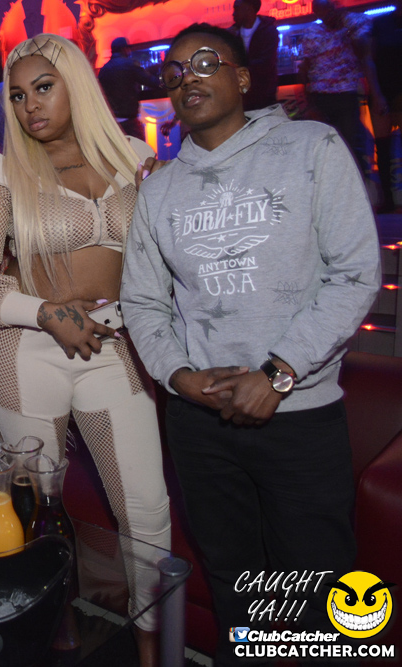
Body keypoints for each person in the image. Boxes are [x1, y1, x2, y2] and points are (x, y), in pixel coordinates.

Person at [121, 24, 381, 666]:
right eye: (174, 71)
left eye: (205, 62)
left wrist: (279, 373)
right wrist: (179, 378)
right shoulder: (159, 189)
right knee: (236, 584)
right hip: (200, 423)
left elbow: (354, 273)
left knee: (320, 590)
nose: (187, 77)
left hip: (298, 415)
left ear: (242, 77)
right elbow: (145, 303)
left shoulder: (311, 146)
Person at [0, 34, 170, 666]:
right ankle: (53, 631)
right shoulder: (2, 175)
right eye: (17, 96)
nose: (30, 106)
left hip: (114, 346)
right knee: (38, 515)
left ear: (78, 85)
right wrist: (46, 312)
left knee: (146, 511)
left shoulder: (137, 159)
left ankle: (153, 647)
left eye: (43, 88)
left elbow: (167, 260)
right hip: (26, 352)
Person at [299, 0, 387, 172]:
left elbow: (365, 54)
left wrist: (347, 28)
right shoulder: (312, 31)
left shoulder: (356, 22)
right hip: (320, 96)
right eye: (319, 12)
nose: (325, 16)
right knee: (325, 147)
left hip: (347, 94)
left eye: (326, 10)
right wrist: (308, 103)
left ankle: (358, 182)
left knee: (351, 146)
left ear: (335, 6)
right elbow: (305, 67)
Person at [97, 37, 160, 139]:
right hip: (129, 120)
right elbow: (152, 82)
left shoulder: (104, 69)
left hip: (111, 122)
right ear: (124, 49)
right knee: (140, 147)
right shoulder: (130, 64)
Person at [372, 8, 402, 213]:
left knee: (384, 148)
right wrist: (376, 93)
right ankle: (388, 201)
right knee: (383, 148)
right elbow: (369, 59)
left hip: (388, 90)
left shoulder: (381, 23)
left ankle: (389, 202)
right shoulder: (380, 22)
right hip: (383, 90)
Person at [229, 0, 279, 111]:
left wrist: (239, 67)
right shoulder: (232, 34)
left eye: (237, 9)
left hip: (264, 94)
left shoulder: (268, 31)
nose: (233, 14)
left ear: (249, 8)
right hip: (242, 95)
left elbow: (266, 63)